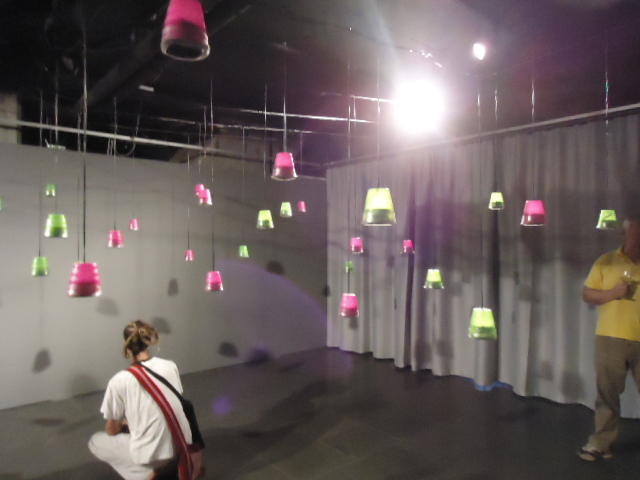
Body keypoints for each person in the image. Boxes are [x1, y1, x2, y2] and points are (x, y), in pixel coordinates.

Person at [89, 320, 192, 479]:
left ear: (127, 346)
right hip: (182, 444)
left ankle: (146, 474)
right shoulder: (170, 366)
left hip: (154, 455)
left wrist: (125, 424)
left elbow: (112, 430)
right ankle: (168, 466)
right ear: (147, 341)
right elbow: (168, 404)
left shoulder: (119, 380)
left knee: (97, 441)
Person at [579, 214, 640, 461]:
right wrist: (613, 293)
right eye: (634, 234)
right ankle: (600, 443)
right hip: (610, 337)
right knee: (607, 395)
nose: (638, 239)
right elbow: (587, 294)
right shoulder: (606, 261)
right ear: (624, 235)